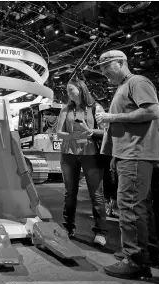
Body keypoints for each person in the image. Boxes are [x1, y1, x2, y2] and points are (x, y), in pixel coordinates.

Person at [95, 50, 159, 279]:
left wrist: (111, 118)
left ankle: (135, 262)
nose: (104, 72)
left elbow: (152, 111)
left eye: (107, 66)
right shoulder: (126, 86)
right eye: (101, 67)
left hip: (135, 153)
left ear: (121, 62)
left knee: (130, 206)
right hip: (130, 153)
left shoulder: (137, 81)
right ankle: (146, 254)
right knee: (140, 206)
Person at [56, 79, 107, 246]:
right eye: (67, 91)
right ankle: (68, 226)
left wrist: (90, 132)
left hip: (90, 152)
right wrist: (74, 136)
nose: (69, 93)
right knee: (70, 192)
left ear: (81, 89)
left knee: (96, 193)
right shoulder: (66, 109)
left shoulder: (95, 107)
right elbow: (59, 133)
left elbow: (106, 131)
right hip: (69, 153)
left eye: (72, 90)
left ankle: (100, 231)